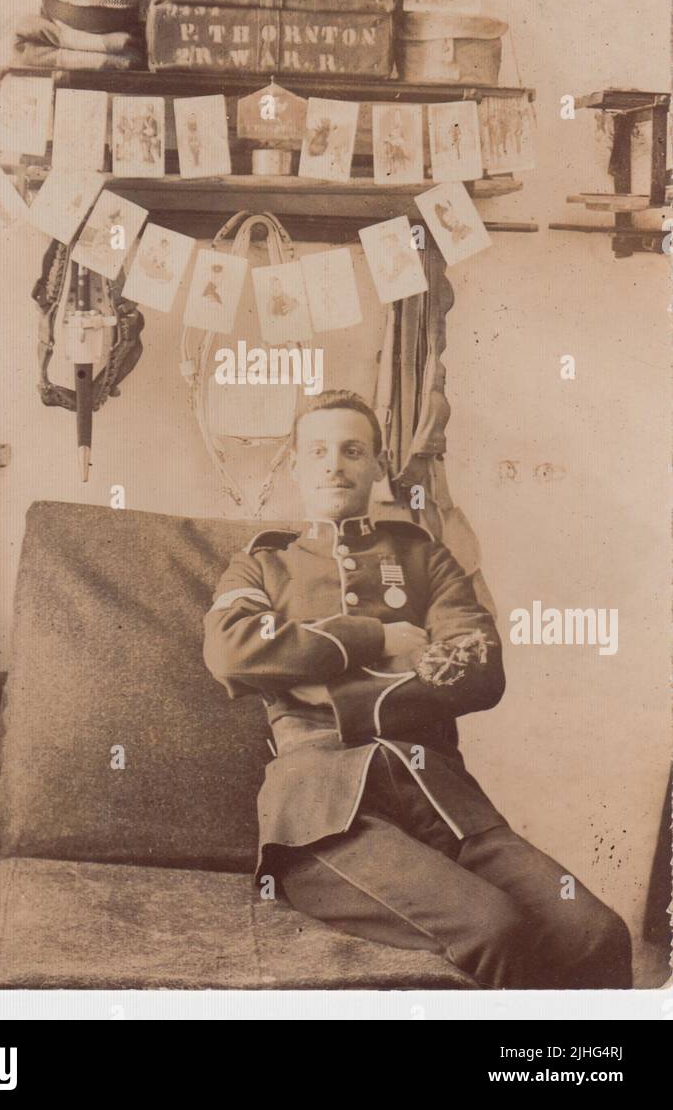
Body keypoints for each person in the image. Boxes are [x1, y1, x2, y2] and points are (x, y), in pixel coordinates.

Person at [203, 390, 632, 989]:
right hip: (325, 815)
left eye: (353, 450)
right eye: (318, 451)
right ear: (295, 466)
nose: (335, 465)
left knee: (596, 935)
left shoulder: (426, 558)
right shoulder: (262, 566)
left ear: (378, 466)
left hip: (443, 799)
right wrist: (377, 638)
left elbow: (478, 666)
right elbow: (232, 648)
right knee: (494, 929)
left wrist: (332, 696)